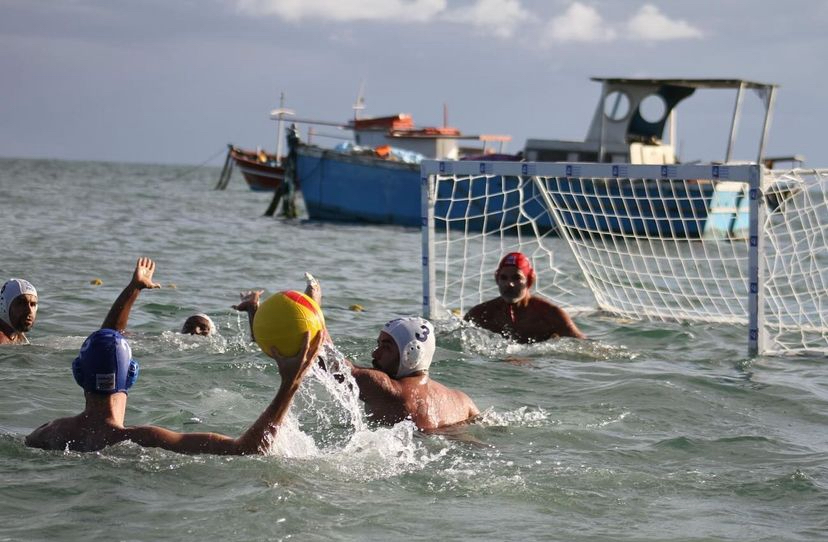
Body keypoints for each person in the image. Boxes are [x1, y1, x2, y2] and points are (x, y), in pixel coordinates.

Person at [25, 257, 321, 455]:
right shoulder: (146, 441)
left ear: (78, 374)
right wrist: (289, 384)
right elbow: (247, 450)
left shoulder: (47, 435)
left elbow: (107, 343)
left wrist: (132, 288)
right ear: (133, 375)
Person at [326, 316, 479, 432]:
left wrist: (313, 309)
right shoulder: (463, 402)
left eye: (386, 347)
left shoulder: (390, 390)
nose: (375, 353)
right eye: (378, 345)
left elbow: (329, 361)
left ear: (411, 354)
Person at [464, 252, 586, 343]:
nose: (509, 284)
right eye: (504, 278)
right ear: (497, 279)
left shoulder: (550, 314)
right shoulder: (481, 313)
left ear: (530, 280)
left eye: (517, 278)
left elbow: (583, 344)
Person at [0, 278, 38, 345]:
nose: (29, 311)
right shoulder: (2, 340)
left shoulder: (17, 336)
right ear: (4, 305)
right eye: (22, 303)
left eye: (33, 304)